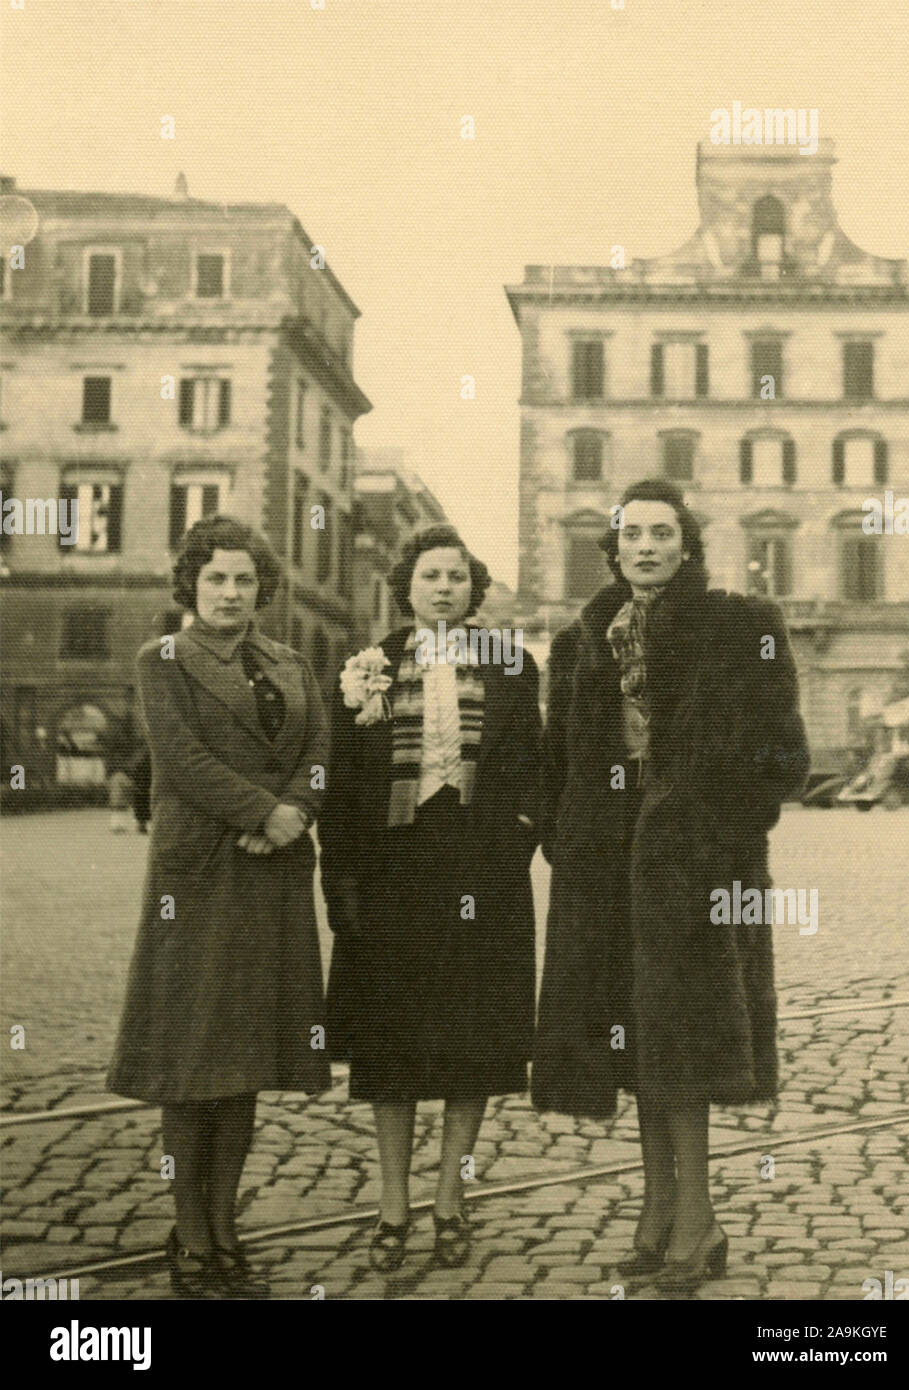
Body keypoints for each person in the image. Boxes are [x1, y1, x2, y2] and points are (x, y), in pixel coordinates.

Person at [533, 478, 808, 1293]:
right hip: (603, 880)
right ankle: (656, 1215)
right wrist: (567, 838)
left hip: (696, 879)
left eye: (662, 533)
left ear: (686, 545)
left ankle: (701, 1222)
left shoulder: (740, 625)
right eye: (631, 535)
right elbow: (558, 764)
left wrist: (712, 832)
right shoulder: (580, 639)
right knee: (635, 1048)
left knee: (681, 1050)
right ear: (611, 548)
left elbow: (782, 760)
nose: (645, 546)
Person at [107, 515, 331, 1298]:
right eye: (216, 580)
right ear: (190, 587)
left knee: (244, 1060)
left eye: (243, 580)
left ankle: (224, 1218)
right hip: (199, 879)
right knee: (190, 1055)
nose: (231, 593)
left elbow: (319, 751)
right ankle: (190, 1227)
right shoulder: (161, 659)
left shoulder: (291, 660)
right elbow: (181, 759)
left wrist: (298, 810)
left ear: (260, 587)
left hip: (273, 875)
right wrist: (261, 813)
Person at [318, 524, 541, 1272]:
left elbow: (533, 766)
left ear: (474, 588)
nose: (443, 587)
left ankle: (450, 1198)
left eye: (455, 576)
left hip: (483, 877)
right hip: (394, 878)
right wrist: (343, 883)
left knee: (472, 1042)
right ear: (404, 587)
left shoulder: (512, 666)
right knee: (393, 1046)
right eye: (428, 576)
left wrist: (512, 834)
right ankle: (390, 1206)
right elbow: (343, 790)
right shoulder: (366, 667)